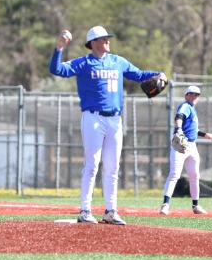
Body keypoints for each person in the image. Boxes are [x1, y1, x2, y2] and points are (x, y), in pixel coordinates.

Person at [50, 26, 167, 225]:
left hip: (115, 119)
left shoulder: (118, 61)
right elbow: (57, 70)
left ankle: (111, 210)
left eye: (107, 39)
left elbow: (139, 74)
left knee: (113, 167)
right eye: (104, 39)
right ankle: (85, 210)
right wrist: (59, 47)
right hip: (93, 118)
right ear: (93, 43)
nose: (108, 41)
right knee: (92, 165)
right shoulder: (84, 63)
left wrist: (159, 73)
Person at [159, 85, 212, 215]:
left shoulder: (192, 110)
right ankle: (165, 204)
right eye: (191, 94)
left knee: (194, 176)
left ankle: (195, 206)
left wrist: (206, 135)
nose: (194, 97)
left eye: (196, 95)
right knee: (174, 174)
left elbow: (193, 129)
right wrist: (179, 129)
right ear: (186, 96)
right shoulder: (185, 106)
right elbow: (179, 117)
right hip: (181, 143)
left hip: (192, 146)